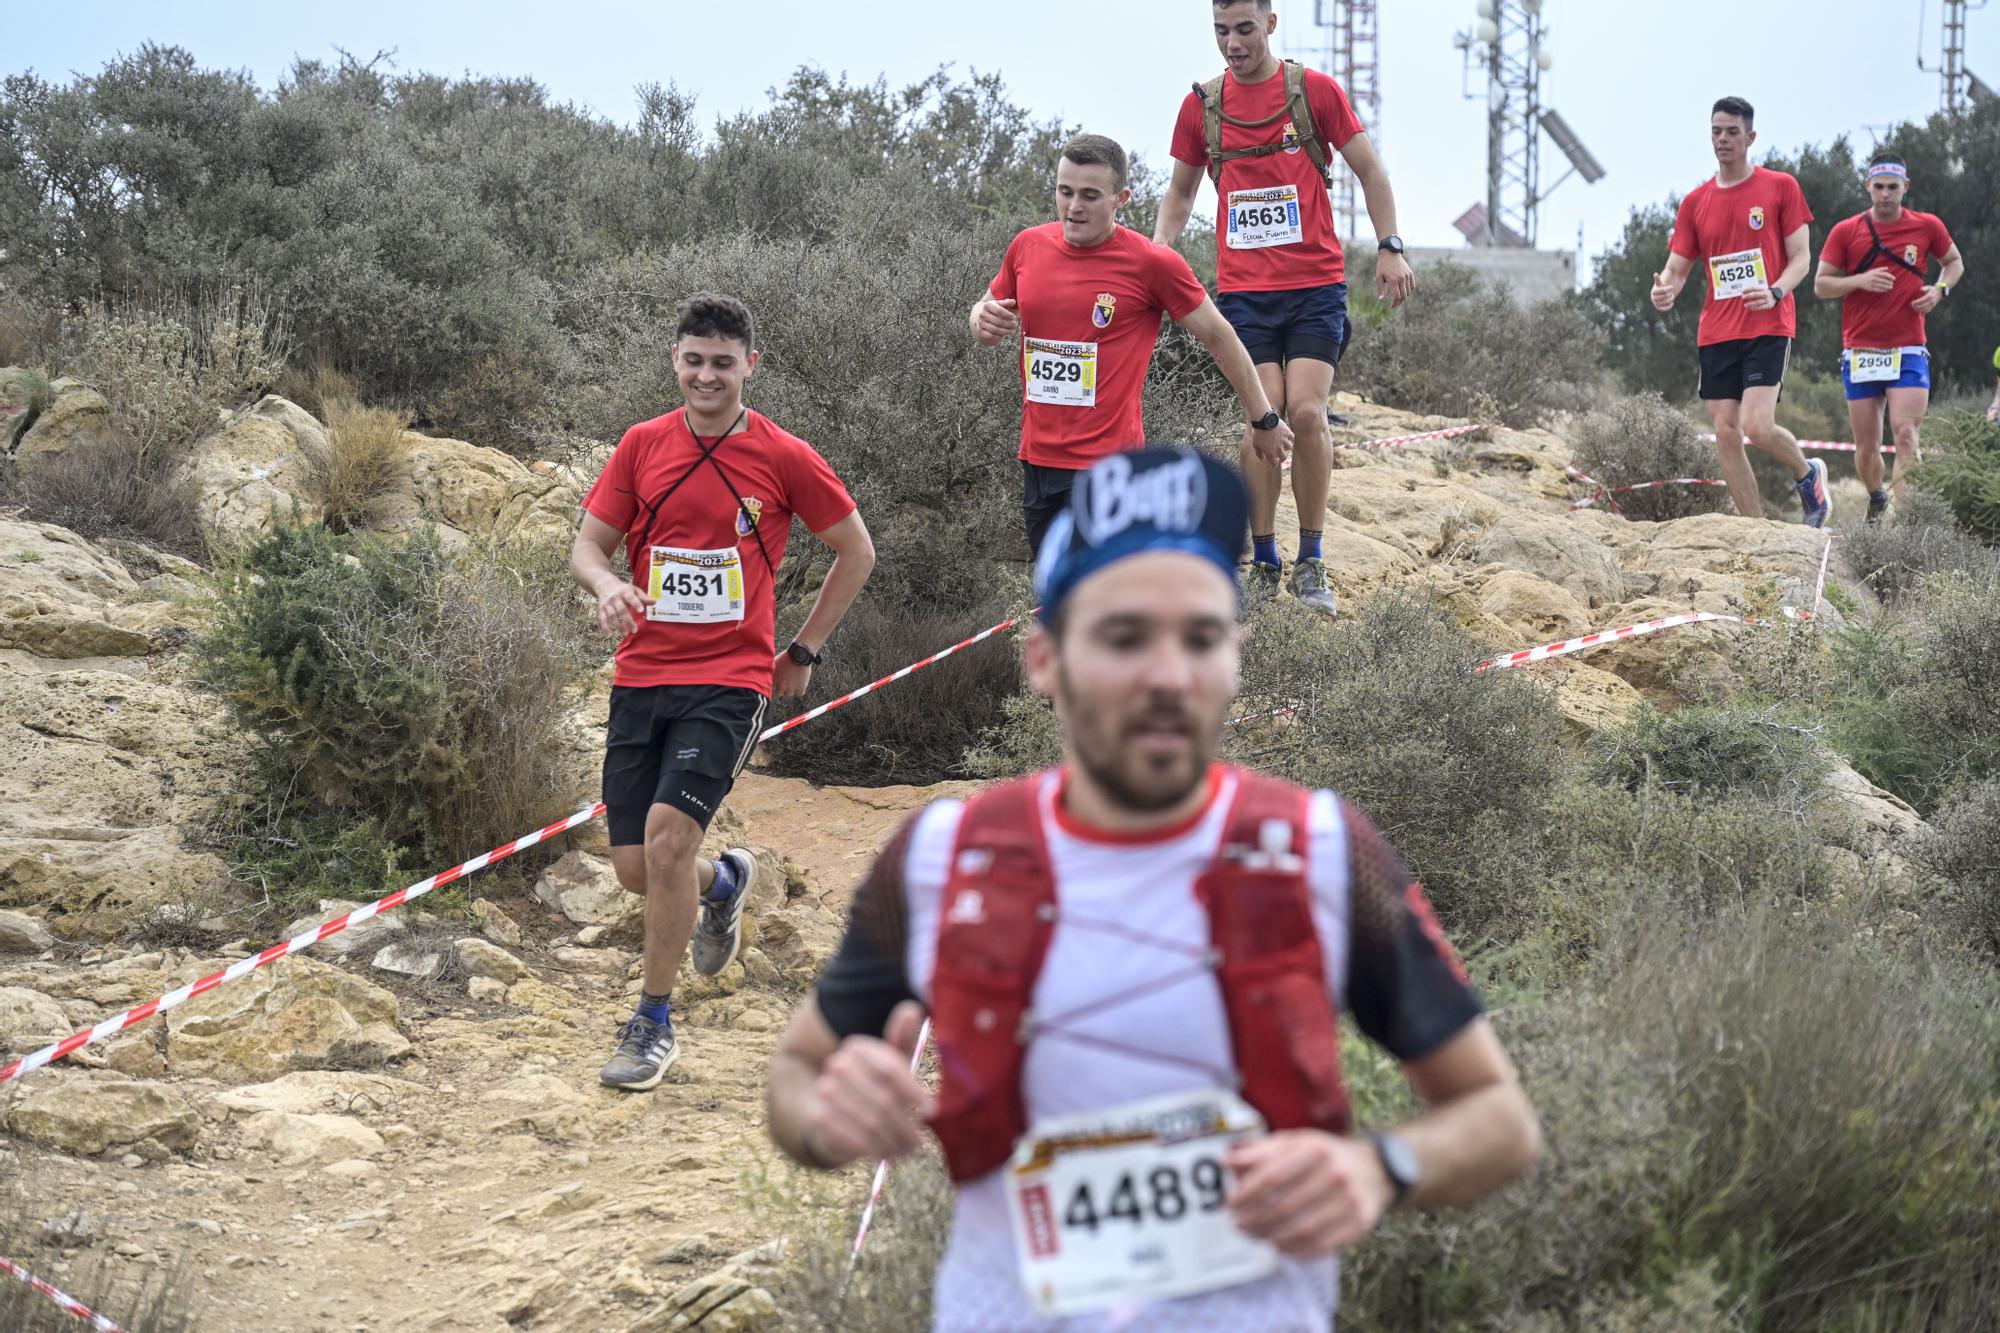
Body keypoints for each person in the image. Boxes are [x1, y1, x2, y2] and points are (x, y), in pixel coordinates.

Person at [765, 448, 1541, 1331]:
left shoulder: (1320, 853)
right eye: (1125, 637)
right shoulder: (943, 858)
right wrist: (830, 1119)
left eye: (1201, 637)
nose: (1168, 675)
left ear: (1237, 658)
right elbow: (794, 1076)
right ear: (1044, 660)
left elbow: (1500, 1119)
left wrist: (1378, 1169)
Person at [572, 293, 876, 1090]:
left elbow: (856, 550)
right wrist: (606, 584)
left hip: (730, 678)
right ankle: (726, 882)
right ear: (675, 360)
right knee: (639, 870)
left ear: (751, 365)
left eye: (723, 362)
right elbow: (588, 544)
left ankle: (652, 1022)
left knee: (671, 839)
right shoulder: (642, 446)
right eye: (694, 360)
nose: (707, 375)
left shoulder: (782, 455)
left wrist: (803, 648)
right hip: (643, 674)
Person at [1153, 0, 1418, 616]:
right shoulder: (1201, 107)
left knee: (1305, 411)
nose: (1232, 43)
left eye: (1244, 29)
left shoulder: (1313, 91)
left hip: (1315, 287)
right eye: (1221, 31)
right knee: (1262, 416)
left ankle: (1312, 560)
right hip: (1244, 294)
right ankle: (1265, 560)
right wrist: (1157, 256)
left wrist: (1390, 245)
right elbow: (1181, 190)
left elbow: (1371, 170)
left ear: (1271, 24)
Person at [970, 133, 1295, 557]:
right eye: (1064, 192)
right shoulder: (1027, 246)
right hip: (1037, 459)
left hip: (1110, 469)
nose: (1073, 207)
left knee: (1094, 596)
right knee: (1055, 597)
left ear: (1121, 197)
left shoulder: (1151, 263)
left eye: (1089, 195)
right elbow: (987, 309)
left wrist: (1263, 418)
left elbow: (1220, 337)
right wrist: (980, 319)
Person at [1651, 96, 1831, 528]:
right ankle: (1754, 532)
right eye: (1716, 131)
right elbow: (1677, 268)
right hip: (1716, 330)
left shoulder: (1779, 186)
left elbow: (1802, 258)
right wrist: (1666, 291)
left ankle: (1808, 475)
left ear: (1750, 137)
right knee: (1726, 431)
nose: (1723, 139)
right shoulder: (1695, 202)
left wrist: (1774, 291)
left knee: (1757, 426)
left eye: (1732, 132)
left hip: (1768, 322)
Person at [1812, 156, 1964, 520]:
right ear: (1868, 186)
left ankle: (1905, 525)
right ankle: (1876, 496)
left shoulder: (1927, 226)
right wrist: (1859, 281)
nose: (1885, 195)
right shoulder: (1847, 231)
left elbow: (1954, 262)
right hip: (1862, 350)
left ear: (1905, 188)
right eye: (1878, 187)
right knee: (1867, 450)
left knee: (1907, 434)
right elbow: (1821, 285)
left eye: (1892, 188)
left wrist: (1940, 290)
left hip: (1909, 348)